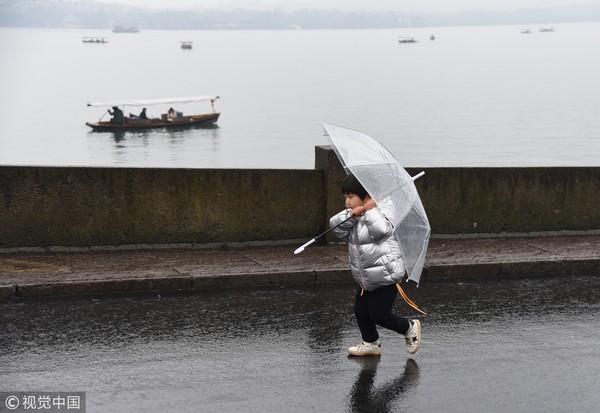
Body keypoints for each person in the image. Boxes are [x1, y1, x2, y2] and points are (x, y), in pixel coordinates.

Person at [330, 173, 421, 356]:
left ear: (366, 195)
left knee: (379, 315)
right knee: (360, 311)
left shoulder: (384, 208)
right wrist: (356, 214)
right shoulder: (356, 213)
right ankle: (371, 343)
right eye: (345, 197)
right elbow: (335, 226)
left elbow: (381, 231)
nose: (347, 202)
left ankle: (409, 327)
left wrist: (370, 210)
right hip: (365, 276)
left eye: (350, 197)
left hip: (385, 274)